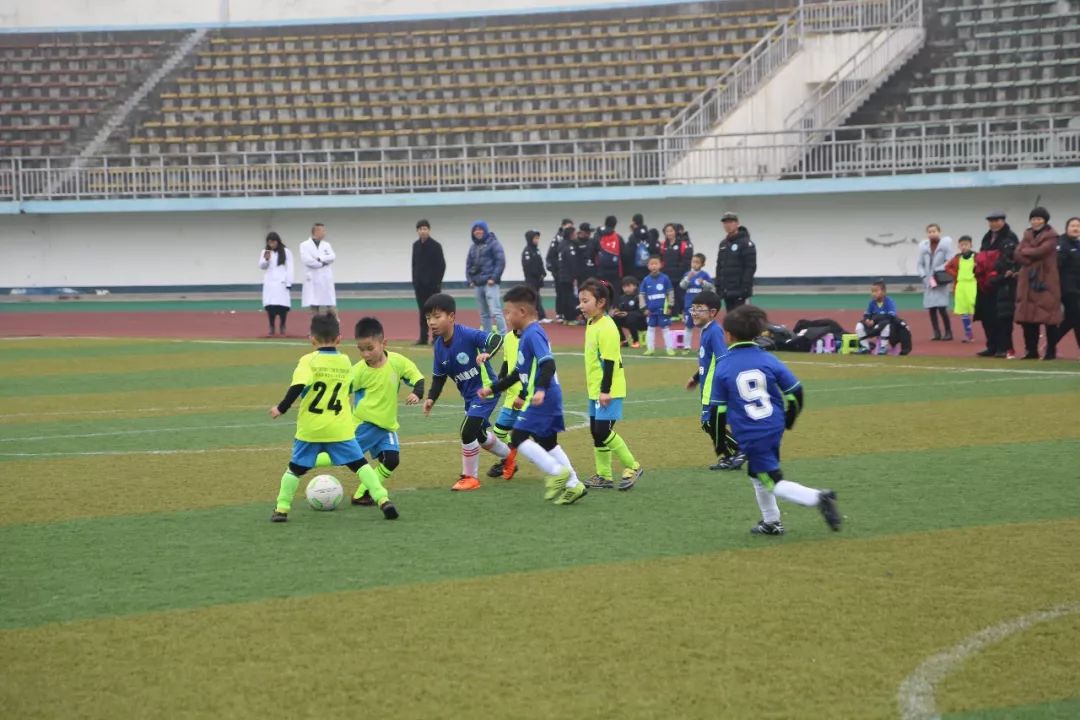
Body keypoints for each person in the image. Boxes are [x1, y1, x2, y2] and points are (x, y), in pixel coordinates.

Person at [710, 304, 841, 536]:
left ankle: (818, 498)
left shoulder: (724, 366)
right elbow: (795, 392)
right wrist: (789, 420)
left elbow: (717, 412)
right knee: (758, 474)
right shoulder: (769, 360)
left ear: (728, 335)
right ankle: (772, 522)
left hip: (751, 432)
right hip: (773, 425)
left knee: (771, 480)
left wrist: (720, 443)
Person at [268, 314, 398, 522]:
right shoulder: (345, 362)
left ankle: (281, 509)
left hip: (311, 428)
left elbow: (298, 386)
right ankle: (383, 500)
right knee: (361, 465)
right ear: (339, 338)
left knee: (294, 469)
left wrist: (281, 408)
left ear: (311, 338)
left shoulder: (308, 361)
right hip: (340, 429)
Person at [478, 285, 585, 505]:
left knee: (518, 437)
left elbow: (548, 364)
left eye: (508, 312)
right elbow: (517, 373)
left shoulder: (534, 333)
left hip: (544, 395)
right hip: (546, 394)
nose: (506, 317)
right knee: (547, 442)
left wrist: (540, 390)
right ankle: (574, 485)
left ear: (523, 312)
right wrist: (493, 388)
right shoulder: (525, 336)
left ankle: (556, 472)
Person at [421, 293, 510, 491]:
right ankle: (508, 456)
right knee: (480, 436)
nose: (432, 322)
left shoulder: (467, 334)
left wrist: (488, 353)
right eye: (428, 318)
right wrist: (430, 398)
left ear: (451, 316)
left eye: (437, 316)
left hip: (486, 391)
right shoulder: (438, 347)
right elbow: (439, 377)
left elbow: (496, 339)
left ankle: (470, 478)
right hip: (470, 397)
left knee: (466, 431)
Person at [343, 317, 424, 506]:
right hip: (364, 424)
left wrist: (417, 393)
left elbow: (417, 377)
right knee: (343, 457)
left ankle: (362, 494)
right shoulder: (358, 371)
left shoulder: (397, 362)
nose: (365, 354)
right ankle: (305, 463)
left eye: (369, 348)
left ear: (383, 343)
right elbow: (341, 392)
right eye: (361, 349)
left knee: (392, 460)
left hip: (386, 425)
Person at [577, 278, 644, 491]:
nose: (581, 305)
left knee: (603, 431)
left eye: (586, 301)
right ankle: (604, 476)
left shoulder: (607, 327)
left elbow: (609, 361)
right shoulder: (591, 322)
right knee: (596, 432)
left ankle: (633, 466)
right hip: (596, 389)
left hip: (609, 390)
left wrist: (605, 391)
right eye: (580, 300)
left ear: (601, 303)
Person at [685, 290, 743, 471]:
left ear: (712, 312)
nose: (694, 312)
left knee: (709, 423)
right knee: (709, 424)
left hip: (714, 388)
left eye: (699, 309)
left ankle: (742, 448)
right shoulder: (707, 331)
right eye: (693, 308)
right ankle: (728, 456)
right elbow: (708, 360)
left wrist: (723, 385)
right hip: (707, 385)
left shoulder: (715, 332)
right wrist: (696, 377)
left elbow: (722, 359)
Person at [1014, 207, 1062, 360]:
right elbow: (1017, 253)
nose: (1036, 221)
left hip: (1046, 280)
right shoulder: (1026, 235)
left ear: (1045, 220)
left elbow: (1042, 251)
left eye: (1039, 218)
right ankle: (1031, 350)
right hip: (1027, 281)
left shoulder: (1052, 236)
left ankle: (1051, 351)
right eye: (1033, 219)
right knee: (1027, 318)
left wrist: (1026, 252)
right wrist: (1027, 254)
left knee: (1049, 318)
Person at [974, 211, 1020, 358]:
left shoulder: (1010, 237)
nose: (994, 224)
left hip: (1002, 283)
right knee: (987, 316)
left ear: (1003, 221)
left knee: (1002, 317)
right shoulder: (987, 237)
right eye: (991, 221)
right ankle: (991, 345)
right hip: (985, 284)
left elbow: (1011, 259)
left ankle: (1004, 347)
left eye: (997, 221)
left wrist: (998, 274)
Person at [486, 324, 522, 480]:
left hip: (528, 396)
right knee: (500, 431)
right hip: (511, 395)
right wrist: (499, 384)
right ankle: (509, 461)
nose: (508, 317)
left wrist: (524, 394)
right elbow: (507, 363)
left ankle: (562, 472)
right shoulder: (508, 337)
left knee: (542, 438)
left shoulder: (532, 337)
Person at [1047, 216, 1080, 358]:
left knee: (1073, 319)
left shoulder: (1077, 244)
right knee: (1075, 318)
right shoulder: (1061, 244)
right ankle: (1050, 347)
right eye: (1073, 225)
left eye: (1078, 226)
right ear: (1066, 228)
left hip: (1077, 288)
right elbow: (1056, 266)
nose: (1076, 228)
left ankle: (1050, 348)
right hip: (1067, 288)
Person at [466, 220, 507, 334]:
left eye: (480, 229)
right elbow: (468, 265)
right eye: (475, 230)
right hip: (478, 285)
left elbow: (501, 261)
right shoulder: (473, 247)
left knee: (496, 312)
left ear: (485, 231)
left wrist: (493, 278)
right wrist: (470, 280)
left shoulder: (494, 244)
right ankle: (487, 338)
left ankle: (503, 336)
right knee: (484, 314)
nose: (478, 232)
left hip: (490, 284)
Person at [411, 219, 446, 345]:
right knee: (423, 312)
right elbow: (414, 265)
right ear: (417, 231)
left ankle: (436, 337)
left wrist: (437, 283)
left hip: (433, 287)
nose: (423, 231)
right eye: (420, 229)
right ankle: (423, 337)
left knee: (435, 313)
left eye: (425, 229)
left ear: (429, 230)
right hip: (419, 287)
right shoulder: (415, 246)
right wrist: (415, 281)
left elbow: (441, 266)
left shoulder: (436, 246)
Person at [917, 223, 954, 341]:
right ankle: (936, 332)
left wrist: (937, 271)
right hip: (928, 281)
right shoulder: (923, 246)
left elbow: (950, 261)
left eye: (934, 231)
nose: (932, 233)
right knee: (931, 308)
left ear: (939, 232)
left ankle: (948, 332)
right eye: (929, 232)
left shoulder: (946, 245)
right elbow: (920, 264)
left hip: (940, 279)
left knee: (942, 307)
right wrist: (924, 276)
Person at [715, 212, 756, 311]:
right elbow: (719, 266)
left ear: (737, 223)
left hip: (740, 289)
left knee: (741, 318)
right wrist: (718, 285)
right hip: (726, 289)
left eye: (730, 222)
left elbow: (750, 267)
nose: (727, 225)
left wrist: (745, 287)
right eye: (725, 223)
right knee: (730, 318)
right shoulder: (723, 244)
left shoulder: (746, 243)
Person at [639, 255, 675, 356]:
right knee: (650, 329)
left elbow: (670, 292)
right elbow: (641, 295)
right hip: (651, 310)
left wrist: (670, 306)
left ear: (660, 265)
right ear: (648, 266)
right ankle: (650, 349)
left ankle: (669, 349)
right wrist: (644, 308)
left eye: (656, 264)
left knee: (665, 329)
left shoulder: (665, 278)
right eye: (651, 264)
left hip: (663, 310)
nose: (654, 266)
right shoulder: (646, 280)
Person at [258, 231, 293, 336]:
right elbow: (261, 266)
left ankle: (282, 325)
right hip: (270, 282)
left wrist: (289, 282)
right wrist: (266, 259)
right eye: (269, 243)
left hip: (282, 282)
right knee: (270, 306)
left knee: (282, 306)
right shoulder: (265, 251)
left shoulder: (286, 251)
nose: (271, 245)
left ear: (277, 241)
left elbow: (290, 267)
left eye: (273, 242)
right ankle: (271, 326)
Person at [299, 222, 337, 315]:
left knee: (330, 305)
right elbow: (307, 260)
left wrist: (320, 259)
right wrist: (322, 264)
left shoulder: (326, 245)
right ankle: (315, 327)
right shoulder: (304, 245)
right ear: (316, 232)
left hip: (325, 278)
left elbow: (332, 257)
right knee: (314, 305)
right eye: (322, 231)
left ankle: (335, 325)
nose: (324, 233)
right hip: (313, 278)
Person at [679, 252, 715, 353]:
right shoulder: (687, 275)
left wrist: (703, 283)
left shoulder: (705, 275)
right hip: (689, 306)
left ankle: (702, 347)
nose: (694, 264)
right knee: (688, 326)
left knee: (702, 326)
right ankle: (686, 347)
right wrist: (687, 278)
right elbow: (682, 286)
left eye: (697, 262)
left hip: (701, 307)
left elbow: (712, 288)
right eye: (693, 262)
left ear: (702, 264)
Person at [944, 235, 977, 342]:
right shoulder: (957, 257)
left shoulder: (976, 256)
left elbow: (983, 267)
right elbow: (947, 267)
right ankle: (968, 333)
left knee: (976, 307)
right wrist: (956, 274)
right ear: (958, 246)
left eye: (966, 245)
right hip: (960, 285)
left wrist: (977, 270)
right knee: (963, 310)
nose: (964, 247)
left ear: (971, 245)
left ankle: (991, 332)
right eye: (962, 245)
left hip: (973, 284)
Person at [855, 280, 898, 353]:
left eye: (876, 291)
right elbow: (867, 314)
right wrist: (867, 320)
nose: (873, 294)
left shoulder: (889, 302)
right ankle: (865, 347)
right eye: (872, 291)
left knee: (886, 324)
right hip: (873, 325)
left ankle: (883, 347)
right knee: (859, 326)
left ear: (884, 292)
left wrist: (874, 320)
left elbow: (890, 316)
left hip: (888, 327)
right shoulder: (872, 303)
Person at [660, 223, 693, 315]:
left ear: (675, 232)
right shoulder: (663, 245)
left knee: (681, 295)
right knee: (670, 295)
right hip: (667, 275)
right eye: (667, 231)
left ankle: (685, 313)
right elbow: (661, 260)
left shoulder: (683, 244)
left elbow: (686, 261)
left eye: (671, 231)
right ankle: (674, 314)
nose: (669, 233)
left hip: (680, 275)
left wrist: (684, 274)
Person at [546, 219, 576, 322]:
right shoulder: (558, 239)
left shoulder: (572, 241)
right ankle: (560, 313)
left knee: (567, 293)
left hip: (565, 271)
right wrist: (555, 270)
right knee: (561, 293)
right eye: (568, 227)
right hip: (559, 271)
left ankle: (567, 313)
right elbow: (551, 256)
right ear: (563, 226)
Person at [521, 229, 549, 322]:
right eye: (535, 238)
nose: (537, 240)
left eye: (538, 238)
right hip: (531, 280)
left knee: (537, 297)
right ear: (530, 239)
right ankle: (532, 317)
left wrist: (543, 273)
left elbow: (540, 263)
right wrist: (537, 274)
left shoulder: (536, 250)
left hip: (538, 279)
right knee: (532, 298)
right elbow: (528, 267)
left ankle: (541, 316)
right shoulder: (527, 251)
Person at [613, 276, 646, 348]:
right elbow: (619, 308)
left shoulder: (640, 296)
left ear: (635, 286)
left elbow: (642, 312)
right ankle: (623, 340)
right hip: (628, 320)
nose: (626, 289)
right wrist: (617, 312)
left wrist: (628, 314)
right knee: (614, 318)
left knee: (630, 318)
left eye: (628, 286)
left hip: (641, 322)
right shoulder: (622, 298)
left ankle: (636, 341)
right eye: (624, 287)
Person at [593, 215, 625, 288]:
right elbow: (624, 254)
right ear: (615, 225)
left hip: (601, 272)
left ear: (605, 223)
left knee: (604, 289)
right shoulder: (618, 237)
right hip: (615, 272)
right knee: (614, 290)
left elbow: (592, 251)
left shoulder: (597, 235)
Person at [626, 213, 659, 281]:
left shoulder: (632, 237)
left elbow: (627, 253)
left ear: (634, 222)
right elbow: (655, 250)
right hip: (649, 270)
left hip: (635, 271)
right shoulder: (650, 235)